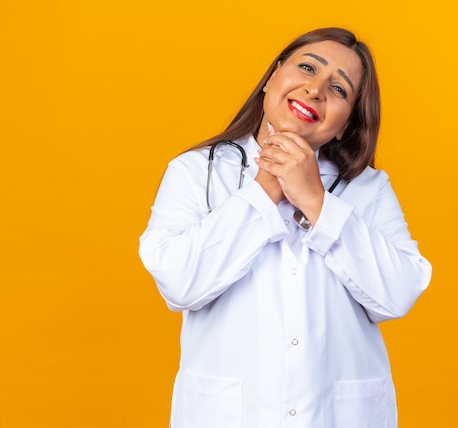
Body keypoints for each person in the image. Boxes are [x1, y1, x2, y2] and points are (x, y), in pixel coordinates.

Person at [139, 27, 432, 428]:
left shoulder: (367, 188)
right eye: (307, 68)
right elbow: (179, 283)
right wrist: (266, 189)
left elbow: (397, 294)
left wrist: (316, 201)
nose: (315, 90)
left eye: (340, 89)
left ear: (346, 124)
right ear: (272, 79)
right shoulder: (195, 171)